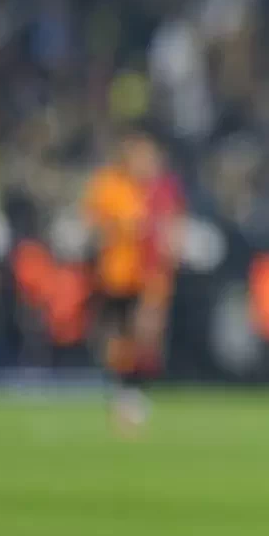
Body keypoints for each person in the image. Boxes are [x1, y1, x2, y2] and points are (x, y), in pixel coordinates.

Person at [82, 130, 168, 435]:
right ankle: (122, 392)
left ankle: (132, 392)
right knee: (119, 336)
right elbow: (95, 227)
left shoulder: (146, 190)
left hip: (139, 275)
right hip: (113, 275)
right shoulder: (108, 186)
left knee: (140, 336)